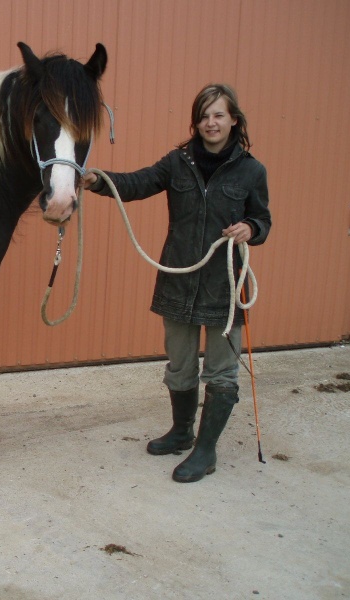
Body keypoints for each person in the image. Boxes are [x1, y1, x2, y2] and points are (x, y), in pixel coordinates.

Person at [83, 83, 271, 482]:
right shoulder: (177, 162)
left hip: (224, 288)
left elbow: (264, 220)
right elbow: (137, 183)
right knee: (180, 365)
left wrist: (250, 228)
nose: (211, 122)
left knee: (221, 372)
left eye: (218, 114)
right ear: (196, 122)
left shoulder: (252, 171)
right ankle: (182, 432)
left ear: (233, 119)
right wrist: (98, 180)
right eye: (204, 115)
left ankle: (206, 451)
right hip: (178, 282)